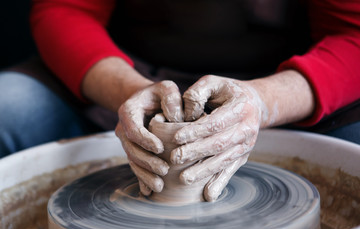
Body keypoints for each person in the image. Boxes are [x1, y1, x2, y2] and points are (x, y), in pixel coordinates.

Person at [0, 0, 359, 201]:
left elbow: (353, 34)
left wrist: (263, 101)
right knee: (9, 106)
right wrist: (126, 91)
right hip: (126, 76)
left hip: (287, 85)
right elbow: (66, 9)